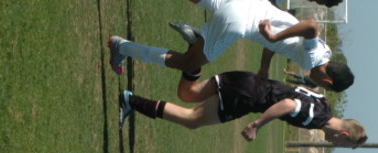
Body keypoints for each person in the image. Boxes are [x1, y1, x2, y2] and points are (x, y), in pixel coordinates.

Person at [107, 0, 355, 93]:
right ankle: (121, 47)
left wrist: (264, 67)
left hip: (246, 3)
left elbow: (285, 42)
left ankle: (198, 38)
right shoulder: (312, 61)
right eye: (324, 87)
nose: (316, 84)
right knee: (187, 64)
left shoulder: (324, 51)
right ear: (328, 81)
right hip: (238, 23)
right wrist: (272, 37)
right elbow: (310, 26)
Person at [118, 70, 367, 148]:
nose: (336, 145)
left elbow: (295, 92)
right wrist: (257, 125)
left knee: (188, 93)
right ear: (343, 134)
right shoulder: (316, 117)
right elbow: (288, 104)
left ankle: (193, 60)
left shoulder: (324, 103)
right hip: (248, 97)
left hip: (249, 80)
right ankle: (130, 101)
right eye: (343, 144)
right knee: (192, 120)